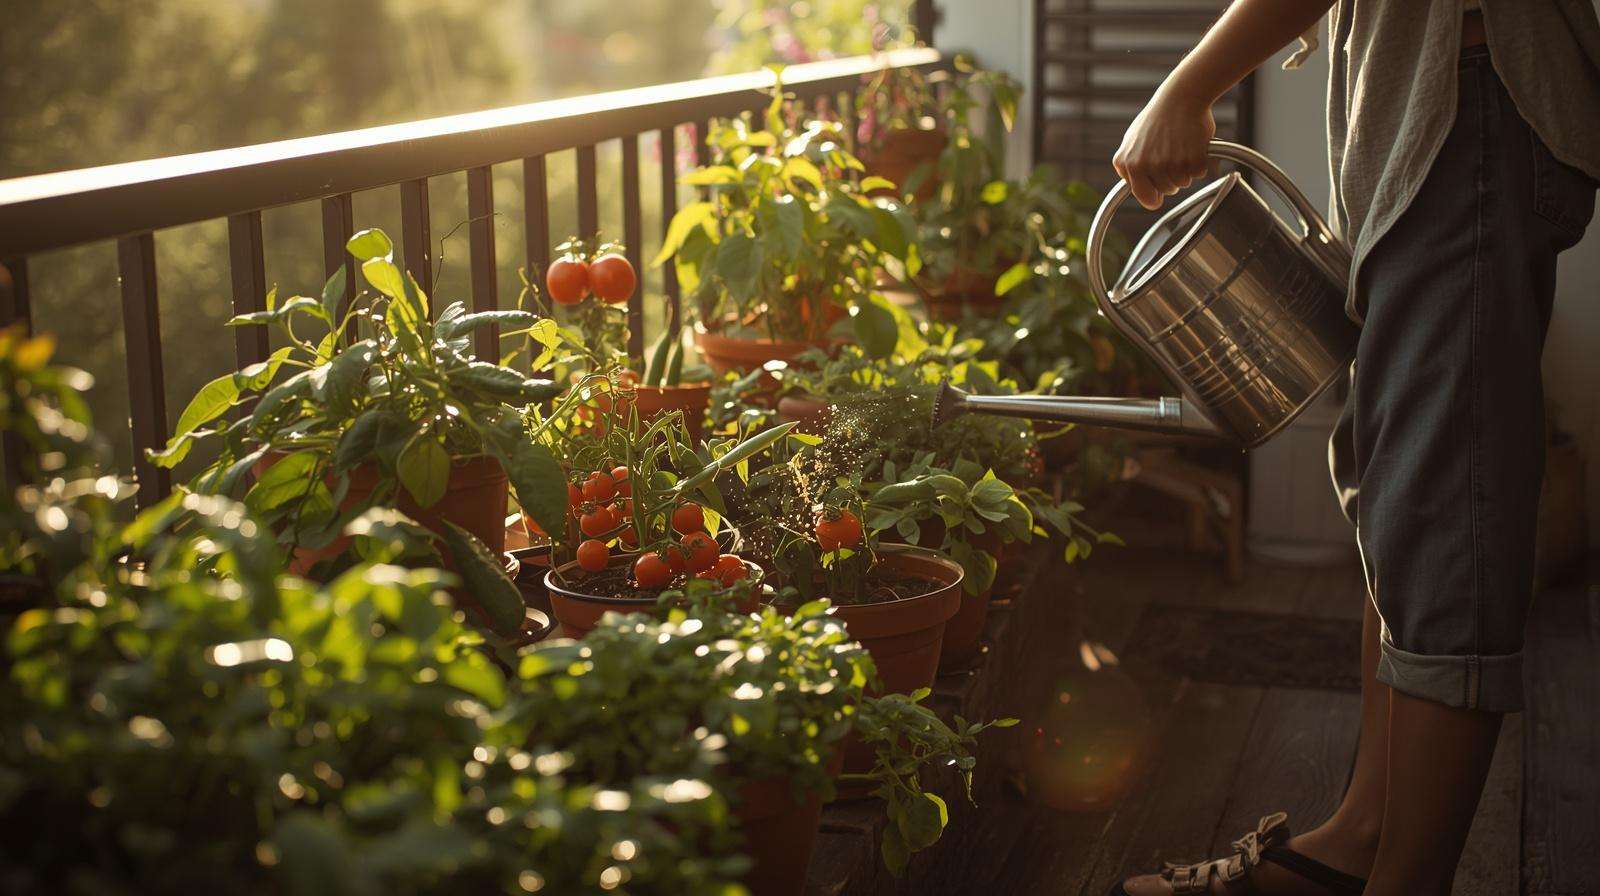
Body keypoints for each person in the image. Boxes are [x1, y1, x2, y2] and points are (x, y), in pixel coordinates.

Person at [1107, 1, 1600, 894]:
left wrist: (1189, 86)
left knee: (1445, 521)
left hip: (1467, 102)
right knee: (1398, 496)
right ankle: (1362, 839)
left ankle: (1403, 879)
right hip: (1422, 106)